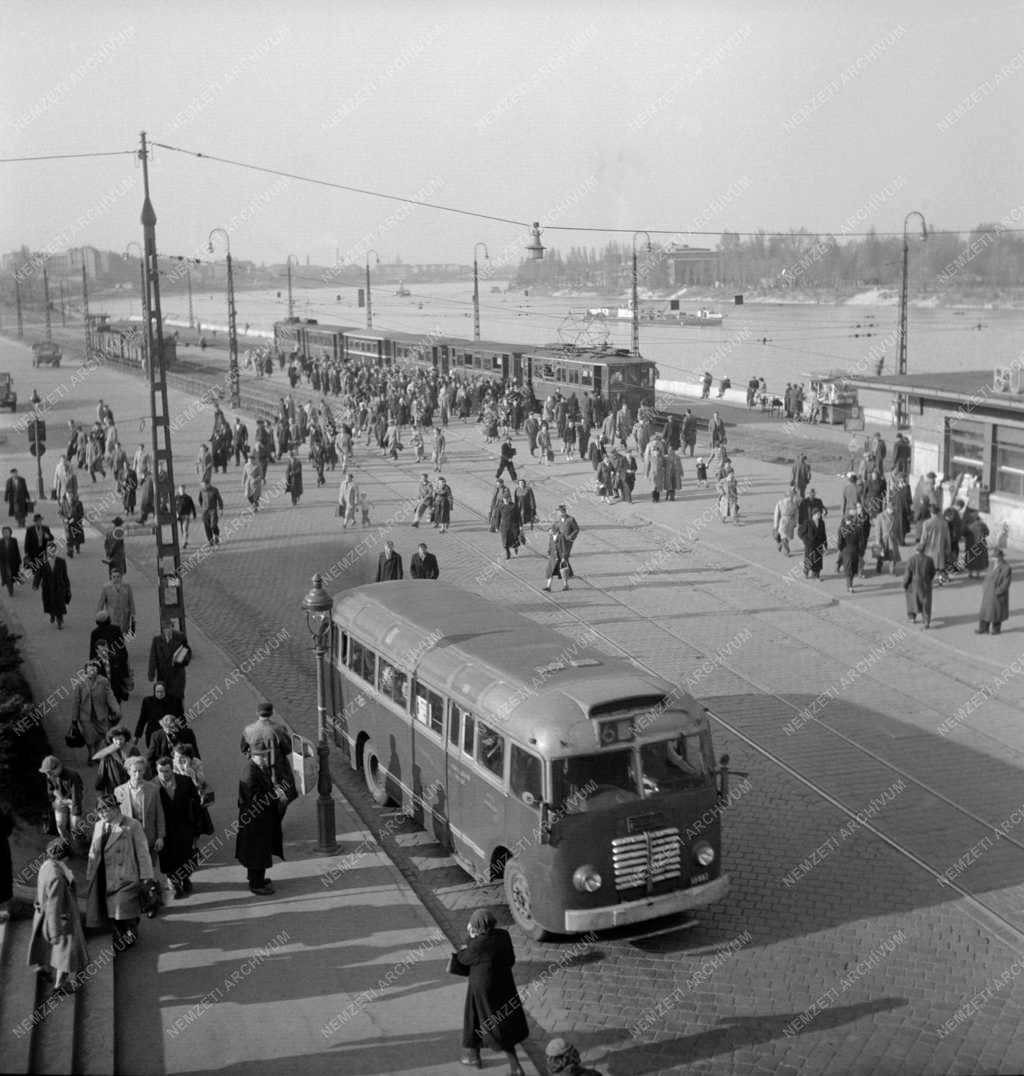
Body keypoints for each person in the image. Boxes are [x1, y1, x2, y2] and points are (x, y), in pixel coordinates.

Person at [453, 908, 528, 1074]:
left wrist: (469, 937)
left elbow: (463, 958)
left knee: (476, 1019)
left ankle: (474, 1056)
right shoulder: (503, 936)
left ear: (475, 926)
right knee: (503, 1023)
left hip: (480, 989)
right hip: (503, 985)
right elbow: (510, 960)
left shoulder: (477, 944)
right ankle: (514, 1065)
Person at [86, 793, 155, 950]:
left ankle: (130, 932)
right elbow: (93, 851)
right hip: (105, 875)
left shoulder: (132, 825)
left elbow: (143, 852)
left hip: (126, 876)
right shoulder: (98, 826)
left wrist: (147, 876)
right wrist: (90, 873)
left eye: (106, 810)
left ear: (116, 809)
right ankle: (123, 932)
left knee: (121, 908)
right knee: (112, 911)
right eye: (100, 811)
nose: (103, 814)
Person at [28, 838, 89, 997]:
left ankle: (44, 969)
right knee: (66, 955)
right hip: (62, 921)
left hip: (43, 916)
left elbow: (41, 888)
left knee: (47, 948)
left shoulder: (46, 865)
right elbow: (55, 905)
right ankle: (59, 986)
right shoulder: (57, 877)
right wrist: (56, 933)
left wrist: (37, 902)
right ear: (65, 857)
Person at [235, 746, 284, 896]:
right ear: (253, 756)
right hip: (255, 823)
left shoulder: (256, 768)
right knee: (257, 853)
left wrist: (273, 788)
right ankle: (256, 884)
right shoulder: (250, 773)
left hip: (259, 821)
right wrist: (274, 795)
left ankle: (257, 879)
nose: (265, 759)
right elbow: (256, 800)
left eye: (265, 756)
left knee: (259, 852)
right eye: (261, 757)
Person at [154, 755, 200, 899]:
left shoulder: (185, 781)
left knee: (185, 855)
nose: (164, 774)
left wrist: (195, 825)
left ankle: (185, 879)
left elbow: (196, 800)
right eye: (160, 771)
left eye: (167, 771)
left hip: (184, 826)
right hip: (164, 829)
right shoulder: (152, 786)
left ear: (172, 770)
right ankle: (174, 884)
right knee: (168, 858)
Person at [39, 756, 84, 846]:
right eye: (46, 773)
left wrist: (76, 813)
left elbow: (77, 795)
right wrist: (55, 799)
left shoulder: (72, 775)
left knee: (75, 827)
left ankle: (80, 844)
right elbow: (50, 790)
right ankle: (67, 845)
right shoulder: (50, 776)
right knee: (60, 825)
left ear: (59, 767)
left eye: (50, 772)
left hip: (72, 801)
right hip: (60, 800)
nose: (48, 775)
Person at [148, 624, 191, 701]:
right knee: (163, 697)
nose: (167, 630)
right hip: (163, 674)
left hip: (177, 674)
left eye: (169, 627)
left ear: (172, 627)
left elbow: (187, 652)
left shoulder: (180, 637)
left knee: (178, 696)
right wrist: (151, 673)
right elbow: (153, 658)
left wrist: (181, 661)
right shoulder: (157, 640)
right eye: (165, 628)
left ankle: (179, 712)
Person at [135, 682, 183, 747]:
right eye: (157, 692)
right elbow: (142, 719)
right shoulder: (148, 701)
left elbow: (181, 718)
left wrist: (183, 732)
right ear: (154, 691)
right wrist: (137, 736)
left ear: (165, 691)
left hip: (169, 734)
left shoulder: (175, 701)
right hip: (152, 734)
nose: (159, 694)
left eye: (162, 692)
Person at [94, 726, 139, 797]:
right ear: (112, 740)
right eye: (115, 739)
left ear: (125, 738)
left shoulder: (133, 751)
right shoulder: (107, 754)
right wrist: (100, 793)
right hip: (114, 790)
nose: (118, 742)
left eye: (120, 739)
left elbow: (141, 767)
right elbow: (102, 774)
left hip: (132, 788)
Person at [977, 548, 1012, 635]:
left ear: (1001, 557)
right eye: (994, 557)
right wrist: (984, 586)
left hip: (997, 593)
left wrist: (998, 591)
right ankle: (983, 628)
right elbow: (987, 576)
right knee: (985, 611)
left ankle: (996, 629)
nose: (995, 559)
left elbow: (1006, 583)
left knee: (996, 612)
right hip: (988, 591)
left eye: (996, 557)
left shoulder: (1006, 568)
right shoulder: (991, 564)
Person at [904, 541, 937, 629]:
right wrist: (929, 580)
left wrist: (905, 584)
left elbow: (907, 574)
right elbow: (933, 572)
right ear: (924, 550)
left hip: (913, 584)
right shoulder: (929, 560)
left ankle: (912, 617)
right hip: (926, 584)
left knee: (911, 600)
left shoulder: (911, 560)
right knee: (926, 602)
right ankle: (926, 621)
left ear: (916, 550)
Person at [97, 568, 136, 637]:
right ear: (110, 577)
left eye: (118, 576)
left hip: (124, 616)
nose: (116, 578)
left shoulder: (127, 586)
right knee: (112, 634)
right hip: (112, 615)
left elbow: (131, 601)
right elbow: (101, 603)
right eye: (114, 577)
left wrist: (133, 614)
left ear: (121, 577)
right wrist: (99, 616)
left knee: (122, 634)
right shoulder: (106, 587)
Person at [920, 504, 951, 585]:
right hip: (940, 548)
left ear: (930, 513)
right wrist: (948, 548)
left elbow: (923, 538)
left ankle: (929, 581)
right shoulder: (944, 523)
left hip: (929, 549)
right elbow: (948, 538)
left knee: (929, 566)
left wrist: (920, 548)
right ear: (937, 512)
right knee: (940, 566)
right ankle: (940, 580)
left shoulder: (926, 523)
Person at [24, 514, 54, 586]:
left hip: (43, 551)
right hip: (33, 551)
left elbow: (52, 538)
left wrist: (48, 537)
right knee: (35, 567)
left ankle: (45, 578)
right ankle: (38, 577)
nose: (39, 522)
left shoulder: (45, 528)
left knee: (45, 566)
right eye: (37, 521)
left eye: (40, 521)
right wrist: (26, 552)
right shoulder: (30, 529)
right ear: (34, 522)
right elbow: (27, 541)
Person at [772, 489, 799, 556]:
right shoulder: (790, 503)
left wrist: (775, 524)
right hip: (787, 521)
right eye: (791, 495)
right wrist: (795, 522)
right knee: (785, 536)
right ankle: (786, 550)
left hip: (786, 520)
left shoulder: (782, 503)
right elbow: (796, 514)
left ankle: (782, 546)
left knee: (785, 536)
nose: (792, 497)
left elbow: (776, 514)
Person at [497, 489, 522, 560]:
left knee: (514, 539)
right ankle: (508, 553)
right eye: (505, 499)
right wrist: (497, 526)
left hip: (513, 526)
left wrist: (520, 526)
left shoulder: (514, 506)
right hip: (504, 527)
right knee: (505, 541)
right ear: (503, 499)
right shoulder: (500, 506)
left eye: (507, 499)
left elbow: (518, 516)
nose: (506, 500)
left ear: (510, 499)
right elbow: (498, 516)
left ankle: (515, 547)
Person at [199, 480, 224, 546]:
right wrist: (203, 507)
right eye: (202, 485)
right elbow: (200, 499)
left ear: (209, 484)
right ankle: (210, 540)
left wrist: (221, 509)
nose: (203, 486)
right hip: (205, 511)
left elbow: (219, 499)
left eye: (204, 485)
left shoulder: (214, 490)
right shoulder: (201, 490)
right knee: (206, 526)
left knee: (213, 525)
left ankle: (216, 536)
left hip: (213, 510)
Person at [0, 525, 21, 596]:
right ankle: (10, 588)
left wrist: (19, 561)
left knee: (11, 575)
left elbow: (17, 551)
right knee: (7, 575)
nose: (5, 534)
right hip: (4, 562)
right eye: (4, 532)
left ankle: (10, 585)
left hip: (12, 562)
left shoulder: (14, 540)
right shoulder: (0, 541)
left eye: (7, 532)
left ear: (10, 533)